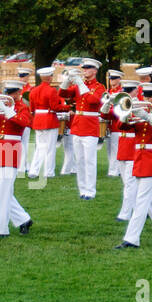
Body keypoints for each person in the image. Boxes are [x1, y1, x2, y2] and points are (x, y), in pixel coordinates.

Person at [116, 83, 152, 249]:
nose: (147, 99)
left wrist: (147, 116)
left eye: (151, 96)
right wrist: (126, 114)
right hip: (139, 158)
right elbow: (121, 127)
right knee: (150, 200)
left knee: (141, 200)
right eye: (145, 96)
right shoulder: (139, 109)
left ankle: (131, 239)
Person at [0, 81, 33, 238]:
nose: (7, 96)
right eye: (6, 92)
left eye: (11, 93)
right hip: (1, 146)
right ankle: (23, 219)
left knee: (4, 191)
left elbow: (24, 122)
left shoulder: (22, 107)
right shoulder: (2, 106)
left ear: (17, 93)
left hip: (12, 146)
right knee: (0, 190)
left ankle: (0, 230)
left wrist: (6, 109)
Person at [59, 58, 106, 200]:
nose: (85, 70)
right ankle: (82, 189)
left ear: (95, 71)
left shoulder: (99, 87)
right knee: (79, 160)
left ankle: (90, 190)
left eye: (88, 68)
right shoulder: (81, 85)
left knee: (89, 160)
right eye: (84, 68)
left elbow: (93, 101)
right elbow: (62, 94)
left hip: (90, 126)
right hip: (78, 125)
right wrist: (67, 80)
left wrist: (79, 83)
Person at [25, 67, 62, 180]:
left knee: (40, 147)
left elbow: (32, 108)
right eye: (51, 76)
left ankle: (34, 170)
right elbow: (55, 107)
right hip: (49, 119)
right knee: (50, 148)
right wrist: (67, 107)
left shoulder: (33, 90)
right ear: (49, 77)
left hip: (38, 119)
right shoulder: (51, 90)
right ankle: (48, 172)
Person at [113, 80, 142, 223]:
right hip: (123, 145)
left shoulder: (140, 105)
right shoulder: (122, 103)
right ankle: (142, 208)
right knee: (128, 183)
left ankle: (125, 213)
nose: (128, 93)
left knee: (130, 184)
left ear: (136, 91)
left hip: (133, 145)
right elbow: (112, 121)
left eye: (130, 90)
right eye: (126, 90)